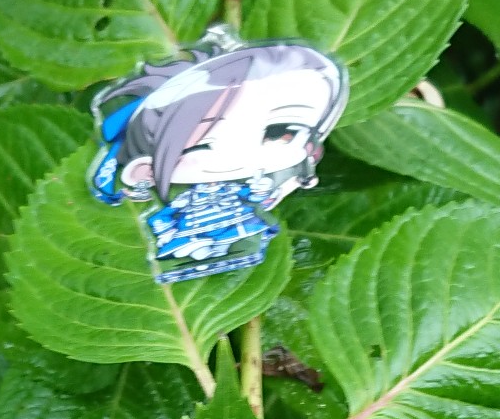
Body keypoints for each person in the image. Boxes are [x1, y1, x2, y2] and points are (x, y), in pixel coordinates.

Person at [89, 29, 349, 284]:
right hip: (194, 217)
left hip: (234, 217)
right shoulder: (179, 190)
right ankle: (193, 253)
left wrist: (272, 187)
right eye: (202, 144)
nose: (242, 153)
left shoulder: (260, 178)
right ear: (145, 168)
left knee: (235, 230)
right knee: (187, 237)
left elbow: (258, 196)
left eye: (281, 132)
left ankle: (221, 250)